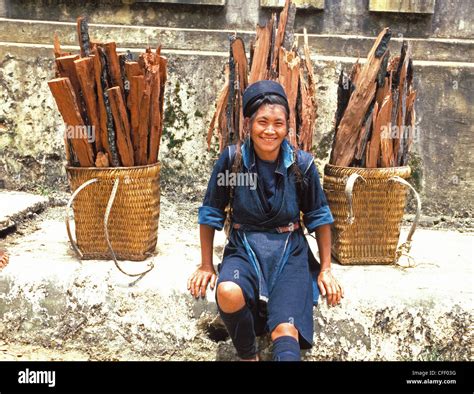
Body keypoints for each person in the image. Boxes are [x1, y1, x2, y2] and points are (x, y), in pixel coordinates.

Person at [187, 80, 344, 361]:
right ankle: (249, 356)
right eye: (262, 122)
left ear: (287, 127)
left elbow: (319, 217)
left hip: (289, 251)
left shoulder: (302, 164)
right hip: (244, 248)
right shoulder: (233, 162)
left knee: (285, 330)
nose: (270, 130)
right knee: (228, 290)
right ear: (249, 124)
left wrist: (326, 269)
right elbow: (210, 212)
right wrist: (207, 264)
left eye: (278, 123)